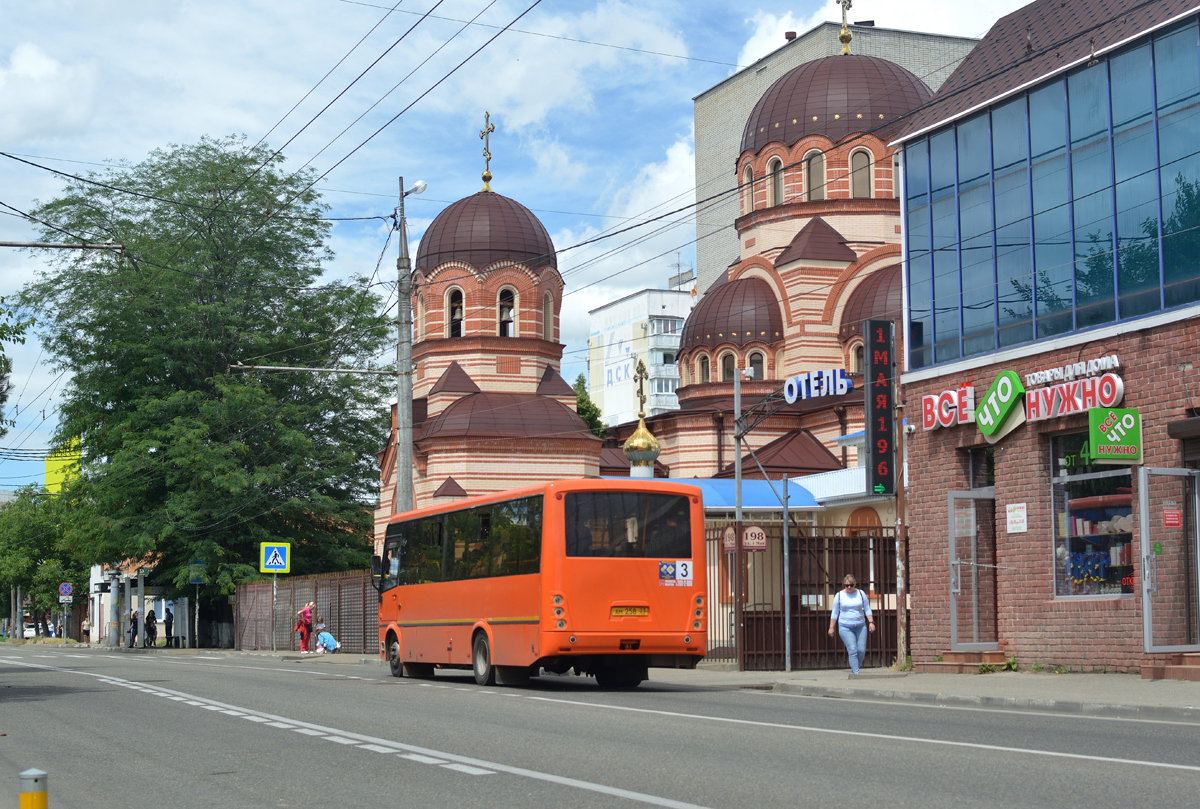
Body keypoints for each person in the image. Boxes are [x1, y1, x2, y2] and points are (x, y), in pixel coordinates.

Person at [827, 575, 874, 675]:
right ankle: (856, 672)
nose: (849, 587)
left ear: (854, 584)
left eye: (851, 585)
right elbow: (835, 613)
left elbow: (867, 609)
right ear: (844, 585)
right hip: (845, 626)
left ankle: (855, 666)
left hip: (860, 626)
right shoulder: (839, 596)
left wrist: (871, 622)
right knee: (852, 649)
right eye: (846, 585)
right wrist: (831, 627)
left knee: (861, 650)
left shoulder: (860, 594)